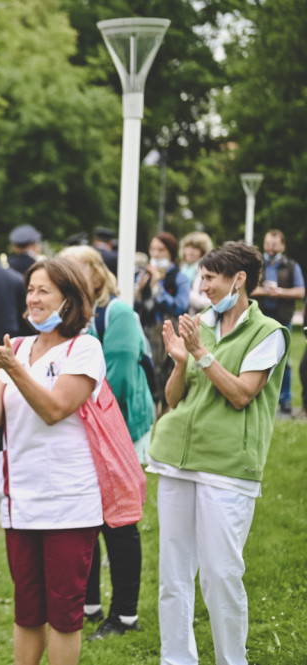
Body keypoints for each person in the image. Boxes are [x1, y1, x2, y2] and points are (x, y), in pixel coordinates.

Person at [149, 241, 288, 665]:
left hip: (227, 468)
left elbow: (242, 394)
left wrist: (200, 354)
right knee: (173, 576)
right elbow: (174, 401)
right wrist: (178, 362)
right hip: (176, 459)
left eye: (210, 277)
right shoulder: (199, 326)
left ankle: (233, 660)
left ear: (238, 279)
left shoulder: (269, 333)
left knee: (221, 574)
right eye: (202, 277)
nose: (202, 285)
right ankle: (177, 659)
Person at [0, 258, 106, 665]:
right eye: (30, 289)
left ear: (68, 299)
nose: (33, 298)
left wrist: (13, 370)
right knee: (27, 609)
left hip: (68, 504)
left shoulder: (84, 348)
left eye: (43, 291)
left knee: (65, 616)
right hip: (21, 501)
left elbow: (55, 409)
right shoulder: (17, 347)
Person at [60, 246, 154, 639]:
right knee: (89, 514)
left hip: (120, 430)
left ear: (98, 274)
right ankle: (90, 603)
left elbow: (113, 380)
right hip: (85, 431)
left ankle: (125, 615)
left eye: (77, 272)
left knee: (119, 521)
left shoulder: (119, 314)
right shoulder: (72, 317)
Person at [136, 231, 191, 409]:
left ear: (171, 252)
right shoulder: (143, 274)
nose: (156, 254)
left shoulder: (180, 278)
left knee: (165, 376)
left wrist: (158, 287)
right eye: (153, 249)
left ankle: (167, 410)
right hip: (145, 330)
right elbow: (135, 303)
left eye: (161, 250)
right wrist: (139, 289)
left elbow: (180, 306)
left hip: (168, 333)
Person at [251, 229, 303, 414]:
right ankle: (258, 395)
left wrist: (279, 291)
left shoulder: (291, 266)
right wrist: (265, 291)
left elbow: (300, 291)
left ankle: (285, 398)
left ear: (282, 245)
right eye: (268, 243)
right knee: (257, 358)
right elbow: (247, 289)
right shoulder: (257, 264)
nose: (271, 247)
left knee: (285, 361)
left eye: (275, 244)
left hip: (282, 318)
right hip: (260, 318)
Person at [179, 231, 214, 314]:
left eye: (195, 248)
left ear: (203, 251)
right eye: (188, 247)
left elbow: (209, 302)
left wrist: (185, 293)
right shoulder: (182, 268)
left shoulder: (206, 270)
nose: (190, 252)